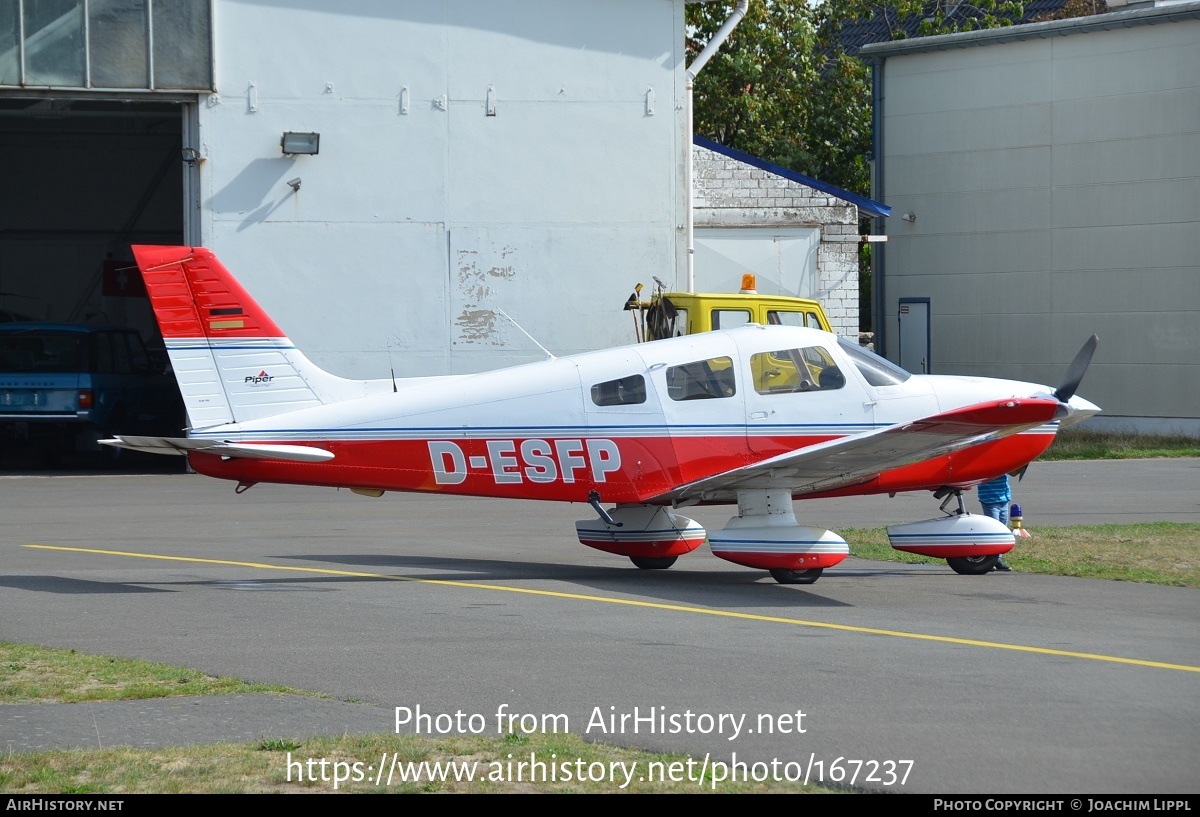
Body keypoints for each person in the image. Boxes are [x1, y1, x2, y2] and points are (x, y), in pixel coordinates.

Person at [977, 474, 1013, 571]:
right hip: (990, 498)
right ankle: (990, 559)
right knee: (993, 531)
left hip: (1003, 498)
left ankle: (998, 559)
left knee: (1002, 530)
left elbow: (1013, 472)